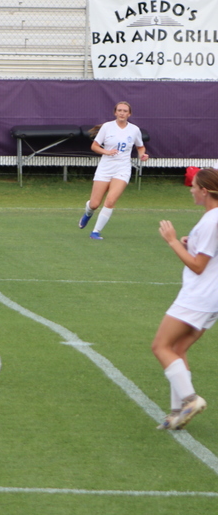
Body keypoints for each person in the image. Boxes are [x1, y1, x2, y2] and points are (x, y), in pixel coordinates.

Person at [151, 167, 218, 431]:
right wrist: (190, 242)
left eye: (193, 186)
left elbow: (199, 266)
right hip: (210, 298)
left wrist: (172, 242)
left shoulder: (212, 220)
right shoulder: (212, 219)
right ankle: (177, 412)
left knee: (160, 346)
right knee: (178, 350)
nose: (191, 190)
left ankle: (190, 400)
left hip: (198, 297)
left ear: (204, 190)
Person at [77, 101, 148, 240]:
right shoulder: (107, 127)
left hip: (122, 168)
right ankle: (88, 213)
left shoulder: (134, 130)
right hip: (105, 167)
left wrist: (142, 155)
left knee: (110, 201)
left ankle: (95, 232)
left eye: (125, 111)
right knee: (94, 204)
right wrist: (106, 152)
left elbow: (140, 146)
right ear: (115, 112)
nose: (122, 113)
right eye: (119, 110)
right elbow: (95, 146)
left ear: (129, 114)